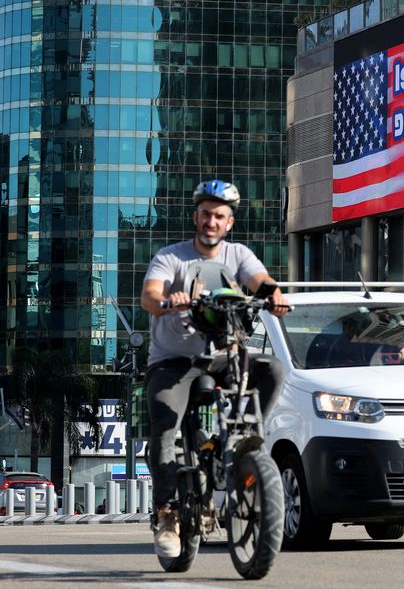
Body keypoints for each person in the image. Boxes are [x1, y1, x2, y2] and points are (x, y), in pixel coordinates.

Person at [140, 180, 289, 560]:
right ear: (196, 217)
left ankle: (239, 442)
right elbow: (150, 295)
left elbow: (261, 282)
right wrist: (169, 300)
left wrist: (274, 296)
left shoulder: (239, 255)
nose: (211, 222)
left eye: (219, 216)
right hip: (173, 362)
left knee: (271, 369)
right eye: (205, 214)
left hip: (223, 356)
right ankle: (168, 515)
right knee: (165, 427)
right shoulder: (171, 258)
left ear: (229, 222)